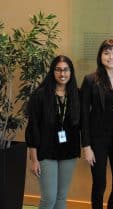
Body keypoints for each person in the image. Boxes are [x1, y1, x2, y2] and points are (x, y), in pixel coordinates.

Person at [80, 39, 113, 209]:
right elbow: (84, 115)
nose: (111, 57)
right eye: (107, 53)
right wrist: (86, 145)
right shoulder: (90, 80)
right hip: (98, 140)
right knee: (99, 184)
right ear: (100, 55)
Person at [25, 55, 81, 209]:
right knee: (49, 198)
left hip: (69, 152)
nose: (62, 74)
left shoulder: (77, 94)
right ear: (52, 72)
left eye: (66, 70)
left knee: (61, 198)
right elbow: (33, 127)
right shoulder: (40, 95)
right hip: (46, 151)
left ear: (71, 72)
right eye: (58, 70)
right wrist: (34, 159)